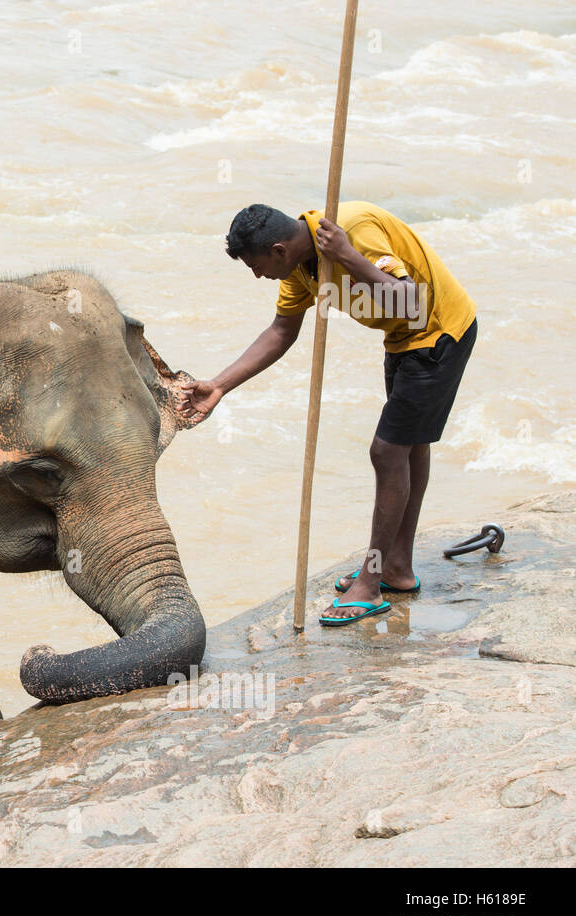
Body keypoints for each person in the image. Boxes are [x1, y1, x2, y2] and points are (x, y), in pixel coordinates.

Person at [178, 202, 477, 625]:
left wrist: (349, 258)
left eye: (255, 265)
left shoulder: (350, 230)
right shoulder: (300, 268)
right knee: (408, 447)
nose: (256, 275)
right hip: (401, 338)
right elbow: (281, 331)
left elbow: (409, 301)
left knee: (387, 452)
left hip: (437, 332)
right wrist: (220, 385)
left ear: (279, 250)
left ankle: (371, 583)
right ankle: (397, 568)